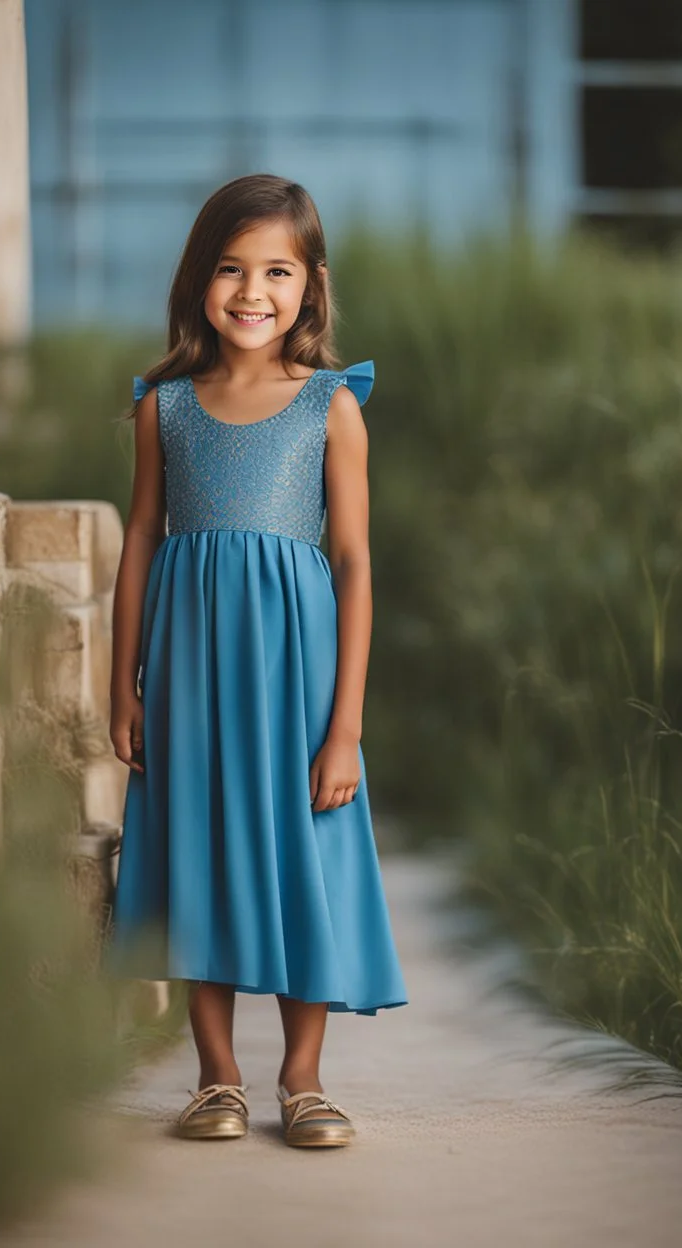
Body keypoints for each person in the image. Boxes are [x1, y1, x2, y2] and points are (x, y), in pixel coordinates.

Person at [108, 172, 408, 1149]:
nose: (252, 291)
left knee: (299, 857)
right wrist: (123, 685)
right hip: (189, 671)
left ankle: (304, 1078)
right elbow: (142, 542)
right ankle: (216, 1077)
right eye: (230, 269)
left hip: (299, 678)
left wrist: (347, 728)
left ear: (310, 286)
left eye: (276, 270)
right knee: (198, 844)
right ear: (199, 279)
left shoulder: (330, 407)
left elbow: (356, 563)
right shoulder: (166, 408)